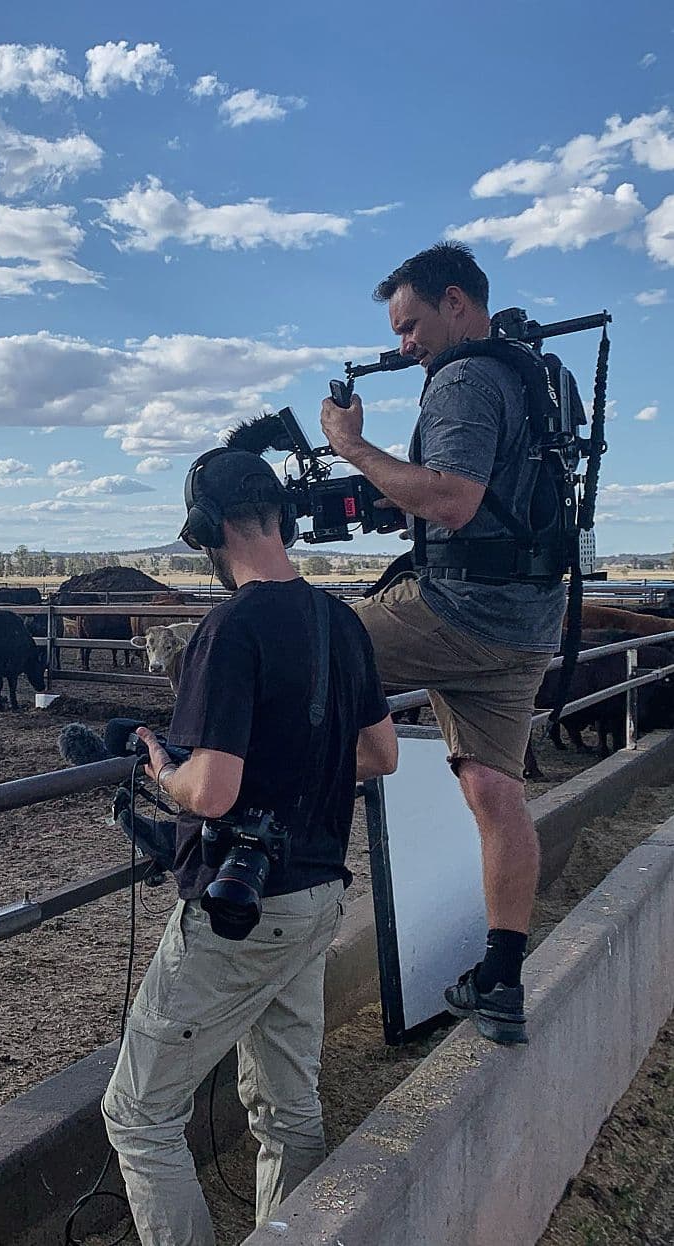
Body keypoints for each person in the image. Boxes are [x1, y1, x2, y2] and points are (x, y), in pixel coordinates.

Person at [101, 447, 398, 1246]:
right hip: (316, 893)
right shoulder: (338, 619)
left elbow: (214, 792)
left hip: (242, 910)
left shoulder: (227, 629)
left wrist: (164, 767)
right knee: (286, 1102)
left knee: (138, 1114)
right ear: (282, 519)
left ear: (207, 529)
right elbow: (380, 755)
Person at [320, 241, 567, 1046]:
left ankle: (180, 764)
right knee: (496, 796)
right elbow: (489, 500)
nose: (405, 346)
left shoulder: (461, 378)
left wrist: (353, 448)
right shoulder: (531, 374)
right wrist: (402, 500)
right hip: (527, 620)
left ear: (456, 302)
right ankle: (500, 977)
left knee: (295, 640)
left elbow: (455, 503)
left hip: (458, 613)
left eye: (411, 324)